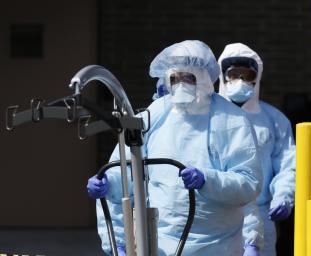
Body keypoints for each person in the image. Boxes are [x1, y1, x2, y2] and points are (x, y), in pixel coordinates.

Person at [87, 40, 263, 256]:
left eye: (188, 78)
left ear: (205, 77)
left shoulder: (231, 121)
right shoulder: (155, 115)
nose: (180, 85)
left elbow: (248, 183)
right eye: (174, 78)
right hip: (160, 244)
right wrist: (109, 183)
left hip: (217, 246)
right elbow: (127, 172)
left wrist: (207, 180)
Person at [218, 43, 296, 256]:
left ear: (257, 76)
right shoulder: (209, 117)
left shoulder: (274, 121)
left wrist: (283, 195)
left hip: (262, 217)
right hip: (216, 217)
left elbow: (288, 165)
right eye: (234, 74)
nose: (241, 81)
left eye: (247, 74)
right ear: (222, 75)